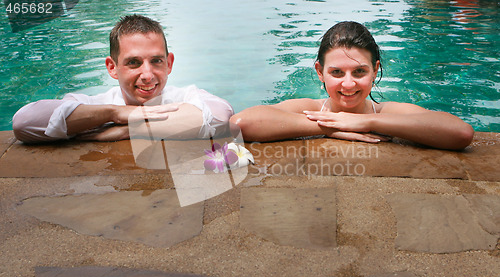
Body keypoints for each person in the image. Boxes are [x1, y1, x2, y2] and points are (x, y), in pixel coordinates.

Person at [230, 21, 474, 150]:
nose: (348, 83)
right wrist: (328, 128)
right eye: (336, 72)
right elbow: (239, 124)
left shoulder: (386, 113)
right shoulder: (311, 108)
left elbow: (461, 133)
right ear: (320, 72)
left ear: (375, 70)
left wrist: (367, 122)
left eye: (360, 71)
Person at [13, 14, 233, 143]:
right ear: (112, 67)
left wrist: (130, 129)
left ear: (169, 63)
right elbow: (24, 122)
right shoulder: (95, 104)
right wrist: (115, 113)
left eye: (156, 61)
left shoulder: (184, 96)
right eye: (133, 63)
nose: (147, 75)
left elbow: (222, 116)